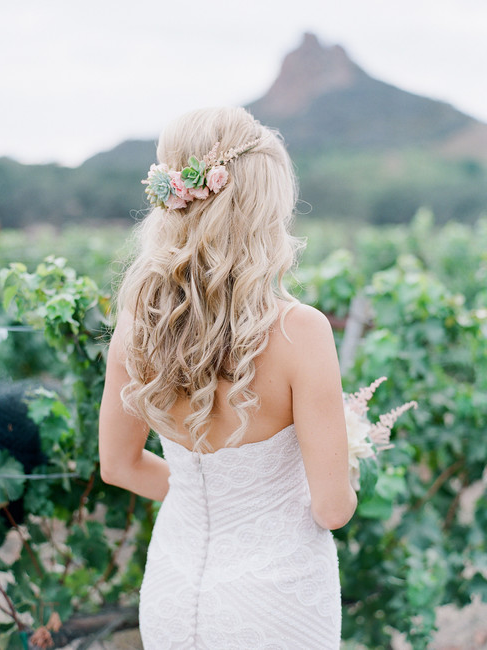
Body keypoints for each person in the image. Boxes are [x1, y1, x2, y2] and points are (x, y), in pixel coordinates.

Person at [99, 106, 357, 649]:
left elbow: (118, 465)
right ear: (264, 208)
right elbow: (332, 509)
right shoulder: (300, 332)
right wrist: (345, 451)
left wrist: (212, 501)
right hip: (276, 602)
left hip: (173, 591)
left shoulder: (136, 326)